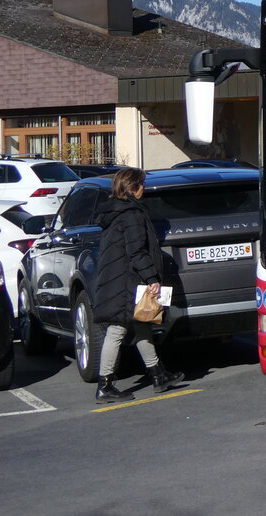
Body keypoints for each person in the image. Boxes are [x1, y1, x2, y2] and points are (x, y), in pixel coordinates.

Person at [92, 167, 184, 402]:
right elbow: (137, 251)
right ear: (131, 187)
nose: (144, 189)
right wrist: (152, 278)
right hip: (125, 281)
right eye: (141, 185)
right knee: (117, 330)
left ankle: (157, 374)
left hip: (119, 278)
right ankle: (105, 385)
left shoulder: (116, 211)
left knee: (142, 326)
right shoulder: (131, 214)